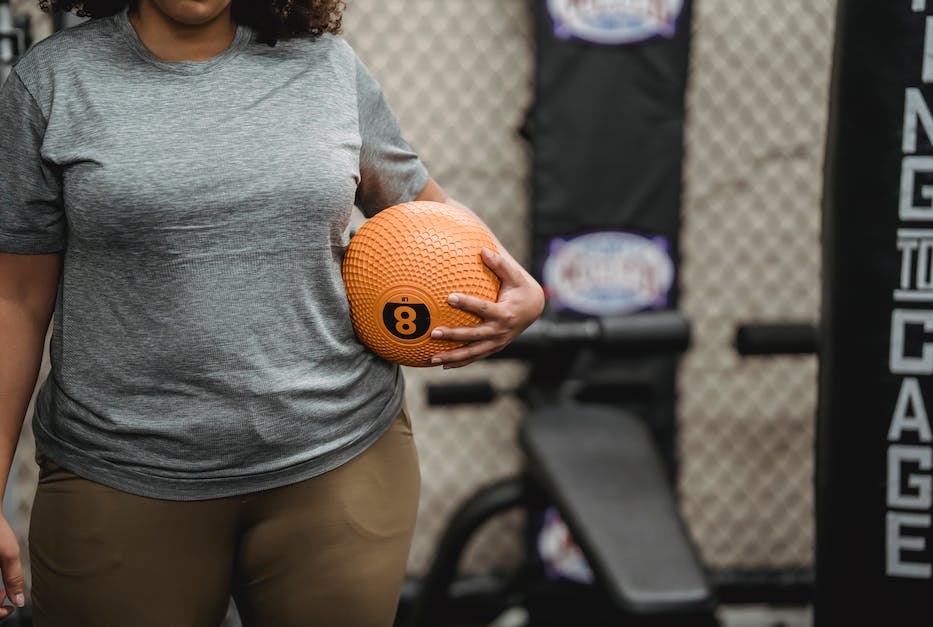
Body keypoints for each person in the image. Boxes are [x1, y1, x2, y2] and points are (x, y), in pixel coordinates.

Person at [0, 0, 545, 624]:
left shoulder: (329, 68)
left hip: (339, 460)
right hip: (122, 474)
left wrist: (519, 286)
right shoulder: (52, 82)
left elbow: (426, 216)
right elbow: (14, 298)